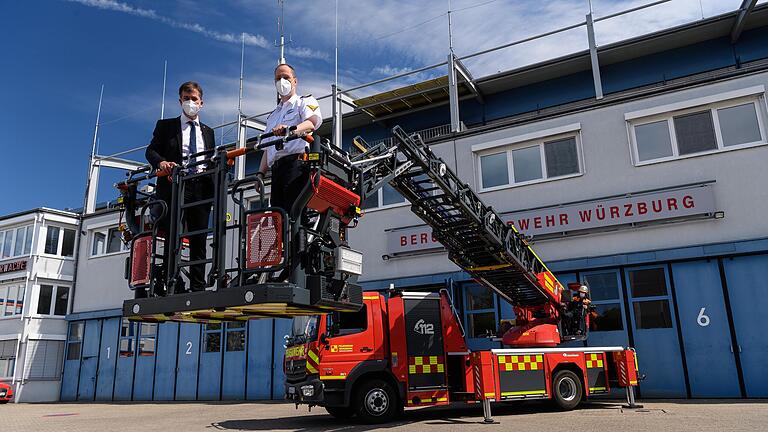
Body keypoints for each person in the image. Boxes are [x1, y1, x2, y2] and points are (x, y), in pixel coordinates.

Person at [145, 81, 215, 293]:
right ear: (180, 101)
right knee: (174, 234)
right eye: (186, 98)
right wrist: (162, 163)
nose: (190, 103)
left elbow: (210, 158)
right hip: (176, 185)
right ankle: (172, 282)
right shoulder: (166, 126)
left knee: (199, 238)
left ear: (201, 103)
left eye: (194, 99)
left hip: (201, 186)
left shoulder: (208, 131)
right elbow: (151, 151)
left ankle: (198, 285)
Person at [256, 64, 323, 214]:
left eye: (286, 77)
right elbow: (268, 148)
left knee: (294, 214)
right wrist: (260, 173)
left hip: (296, 166)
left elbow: (311, 123)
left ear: (295, 81)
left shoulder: (304, 101)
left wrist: (289, 130)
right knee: (278, 215)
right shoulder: (272, 116)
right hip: (276, 170)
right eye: (278, 78)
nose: (282, 81)